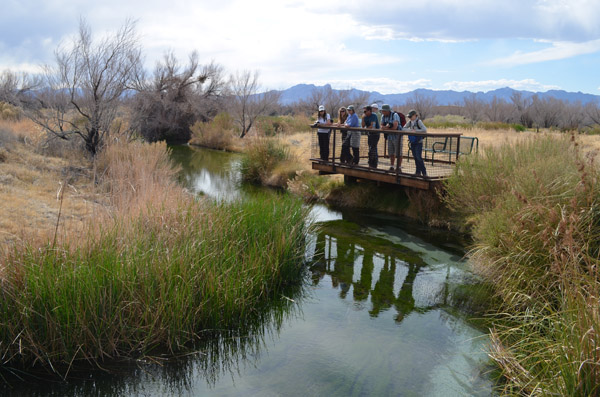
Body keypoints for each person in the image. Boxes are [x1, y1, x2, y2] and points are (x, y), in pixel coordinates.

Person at [404, 109, 427, 177]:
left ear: (415, 115)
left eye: (411, 116)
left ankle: (424, 172)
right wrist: (410, 130)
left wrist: (416, 131)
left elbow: (424, 130)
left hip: (418, 142)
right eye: (409, 117)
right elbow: (403, 128)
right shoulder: (410, 122)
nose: (410, 118)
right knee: (415, 157)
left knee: (418, 157)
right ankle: (418, 172)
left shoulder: (418, 121)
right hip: (412, 142)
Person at [380, 104, 402, 171]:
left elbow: (395, 127)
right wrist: (387, 127)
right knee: (391, 152)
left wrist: (386, 128)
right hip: (389, 137)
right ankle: (392, 166)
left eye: (383, 111)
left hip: (397, 137)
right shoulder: (383, 116)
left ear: (387, 111)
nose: (382, 112)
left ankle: (399, 167)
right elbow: (381, 126)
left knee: (398, 152)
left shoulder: (395, 115)